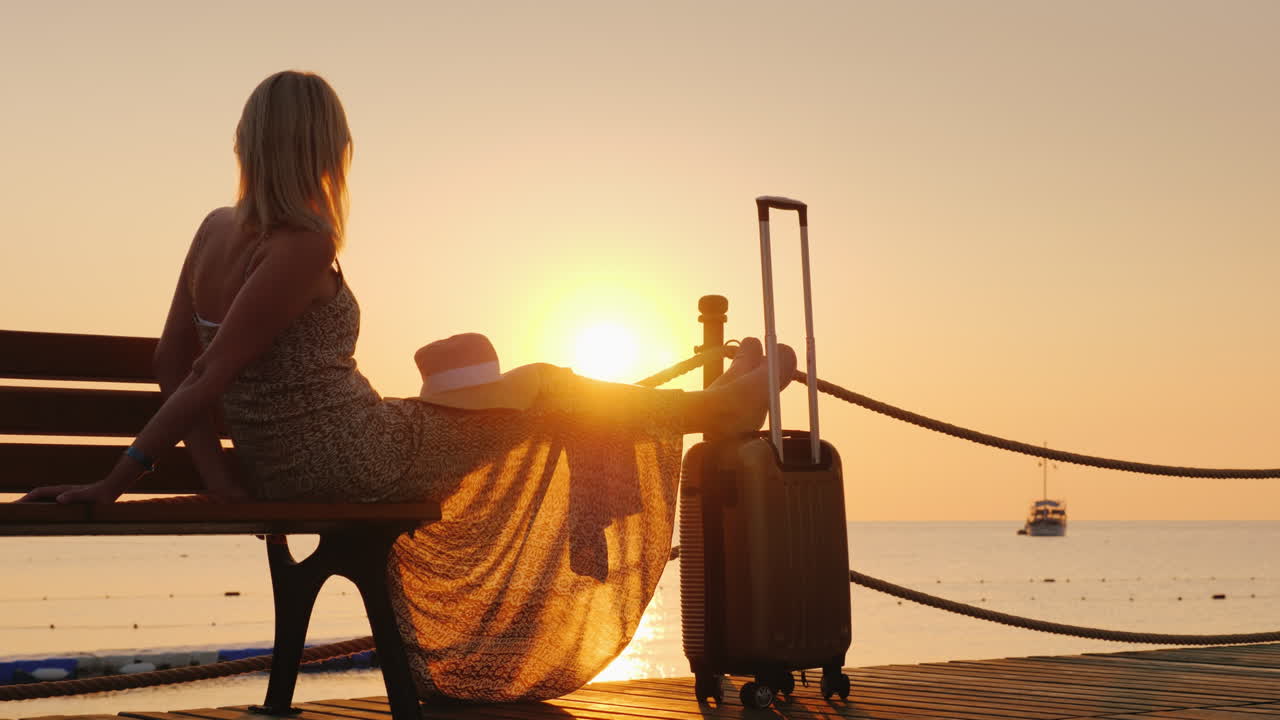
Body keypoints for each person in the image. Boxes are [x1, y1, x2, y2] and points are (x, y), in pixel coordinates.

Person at [17, 70, 796, 700]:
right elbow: (207, 373)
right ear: (324, 149)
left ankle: (699, 413)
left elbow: (173, 365)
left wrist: (225, 475)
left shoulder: (215, 230)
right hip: (349, 457)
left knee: (485, 374)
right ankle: (720, 406)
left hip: (312, 450)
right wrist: (114, 482)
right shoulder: (302, 244)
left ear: (248, 143)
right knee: (551, 389)